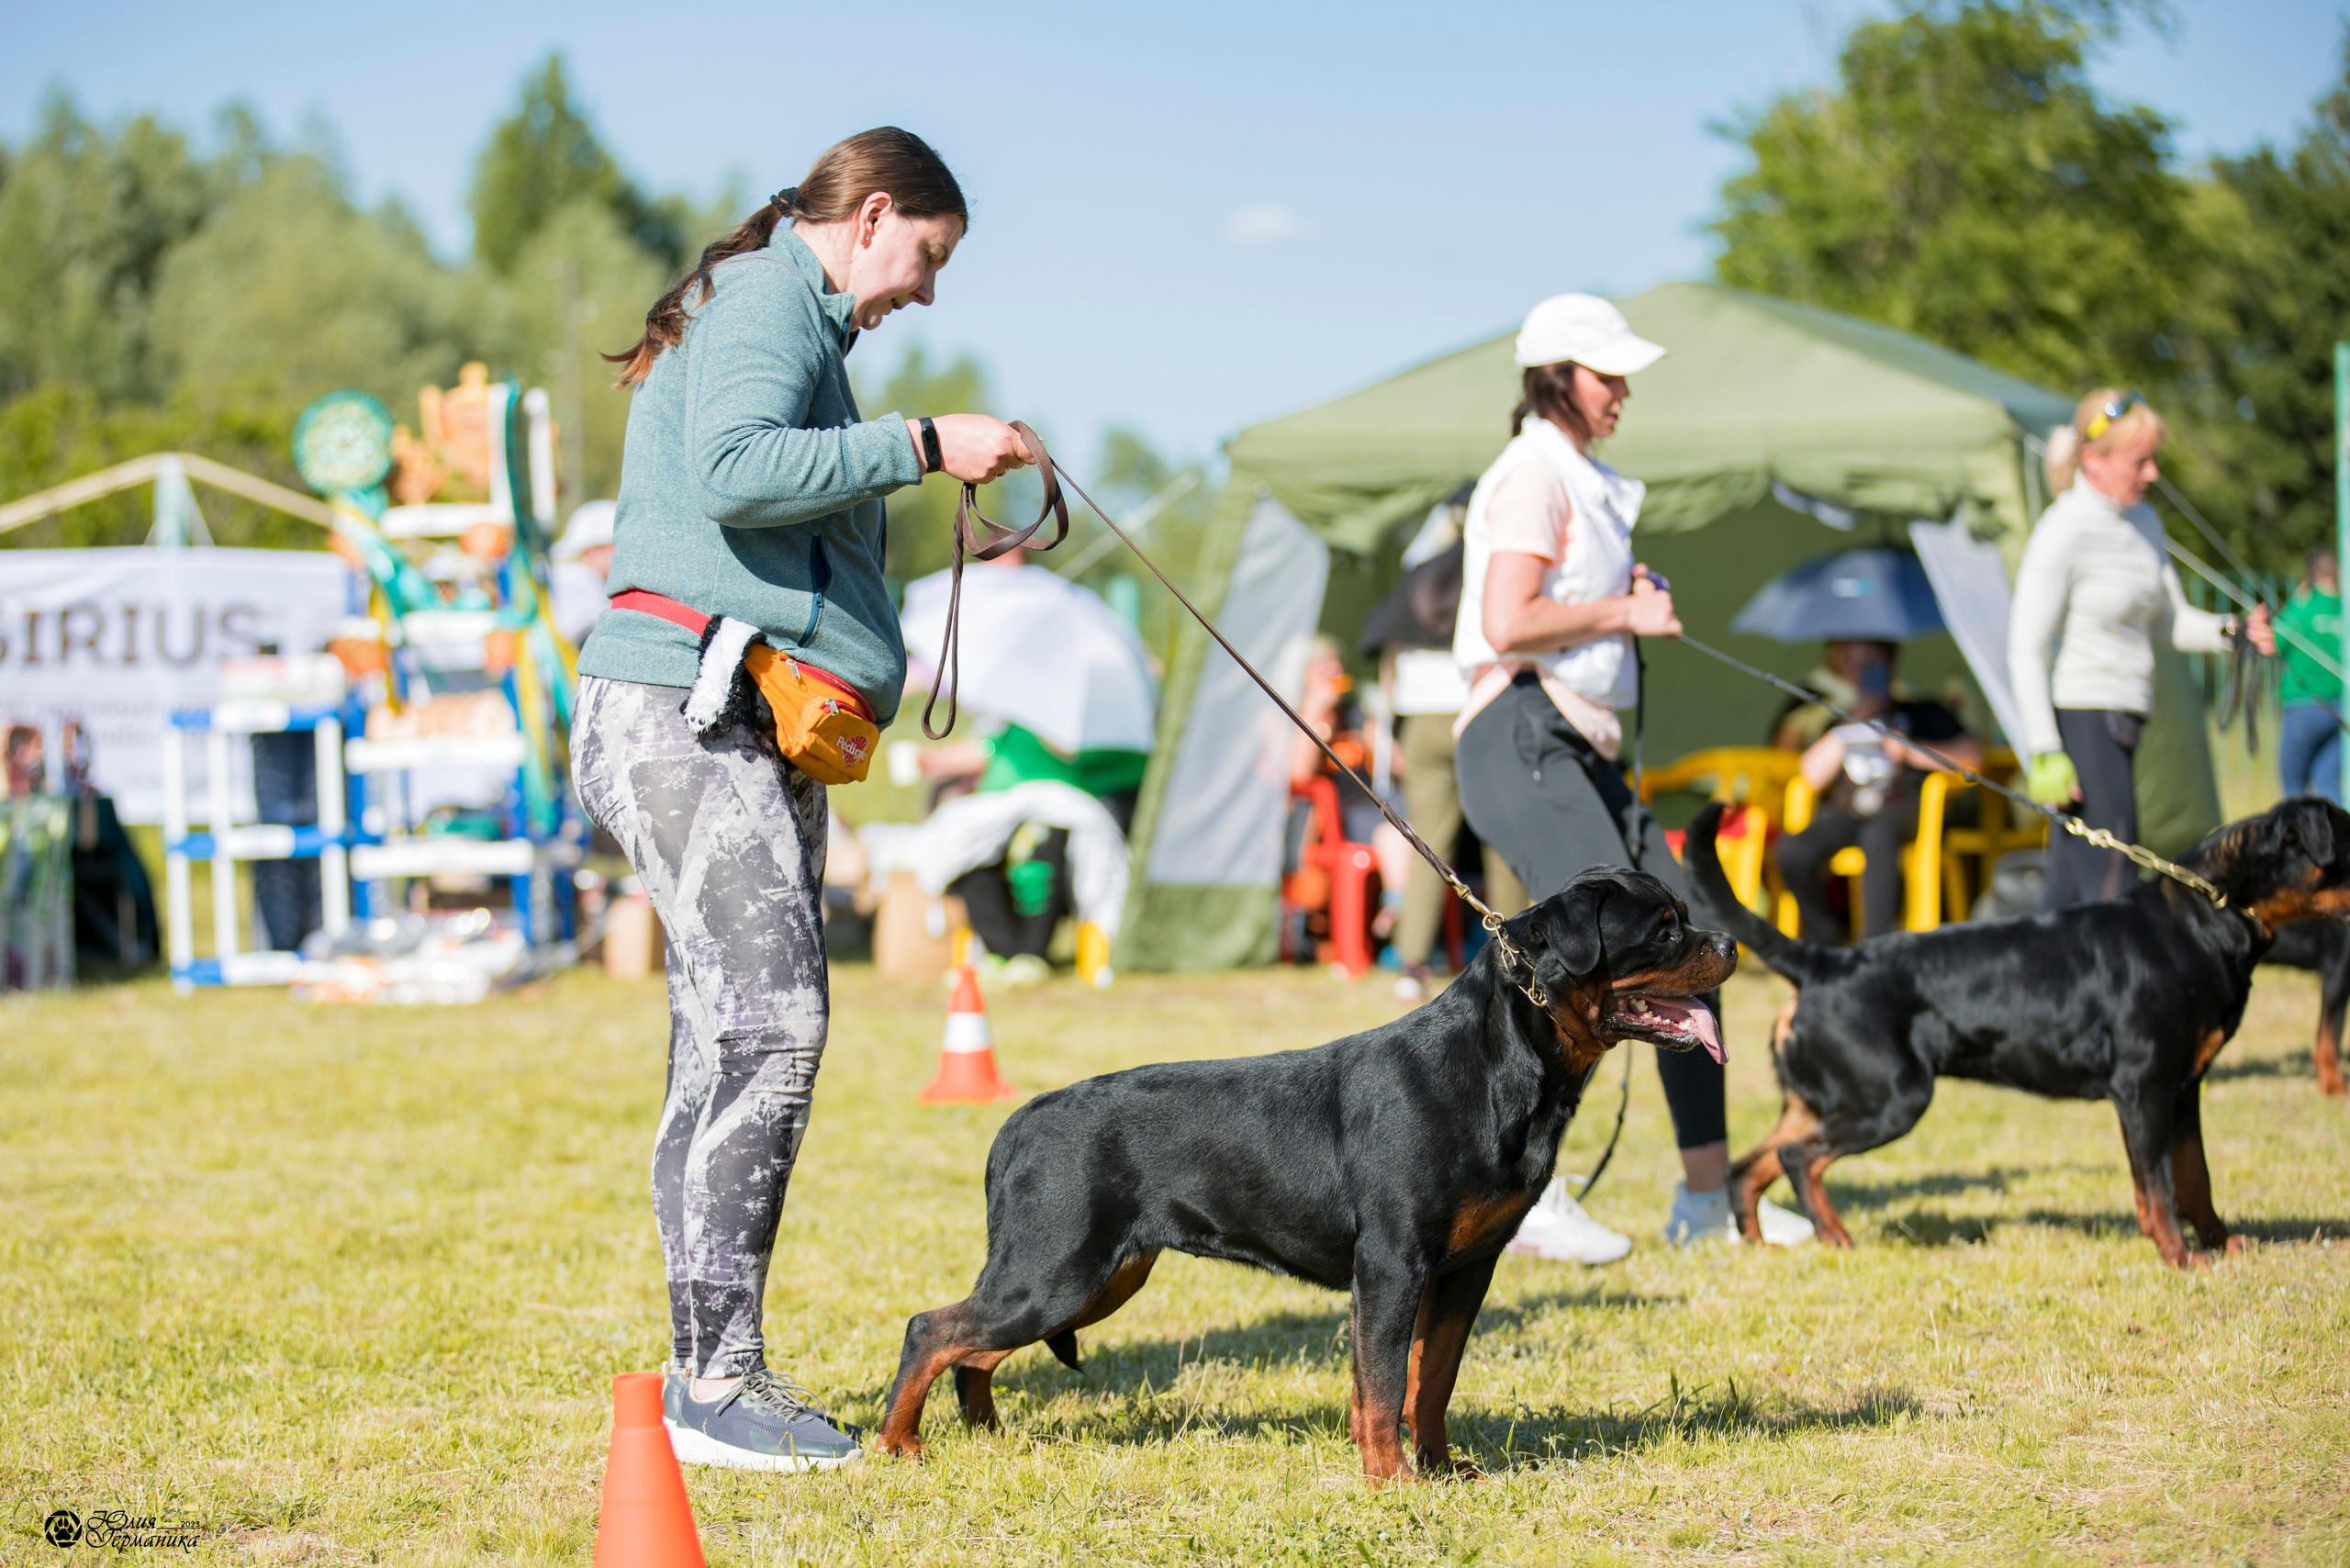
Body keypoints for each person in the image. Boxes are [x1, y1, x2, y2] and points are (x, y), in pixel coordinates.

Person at [572, 128, 1035, 1471]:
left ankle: (703, 1379)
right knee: (771, 1030)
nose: (925, 292)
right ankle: (719, 1390)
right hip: (688, 707)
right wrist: (921, 442)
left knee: (723, 1042)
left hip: (742, 714)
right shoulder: (774, 296)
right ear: (873, 215)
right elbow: (735, 467)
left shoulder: (789, 315)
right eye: (927, 258)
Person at [1451, 293, 1813, 1263]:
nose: (1621, 392)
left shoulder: (1577, 475)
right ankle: (1524, 1194)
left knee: (1689, 937)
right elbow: (1505, 621)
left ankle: (1706, 1202)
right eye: (1606, 374)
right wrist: (1625, 612)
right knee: (1572, 962)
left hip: (1566, 739)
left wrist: (1621, 595)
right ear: (1555, 378)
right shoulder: (1533, 471)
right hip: (1518, 728)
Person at [2009, 389, 2273, 910]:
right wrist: (2045, 749)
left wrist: (2233, 631)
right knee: (2113, 892)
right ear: (2093, 459)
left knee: (2066, 899)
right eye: (2139, 462)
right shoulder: (2063, 530)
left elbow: (2169, 621)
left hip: (2130, 715)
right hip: (2084, 720)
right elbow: (2026, 646)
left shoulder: (2144, 522)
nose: (2152, 473)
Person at [1772, 640, 1981, 942]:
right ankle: (1827, 943)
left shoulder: (1923, 711)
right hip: (1852, 809)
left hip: (1908, 805)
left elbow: (1972, 758)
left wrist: (1910, 750)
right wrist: (1848, 725)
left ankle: (1875, 947)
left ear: (1890, 664)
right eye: (1853, 665)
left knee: (1878, 835)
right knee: (1793, 850)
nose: (1861, 673)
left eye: (1871, 665)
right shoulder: (1841, 719)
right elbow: (1810, 775)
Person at [2276, 545, 2342, 805]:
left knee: (2294, 790)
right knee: (2329, 787)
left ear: (2313, 574)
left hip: (2302, 706)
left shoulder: (2302, 609)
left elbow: (2274, 642)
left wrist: (2294, 602)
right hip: (2338, 709)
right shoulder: (2345, 610)